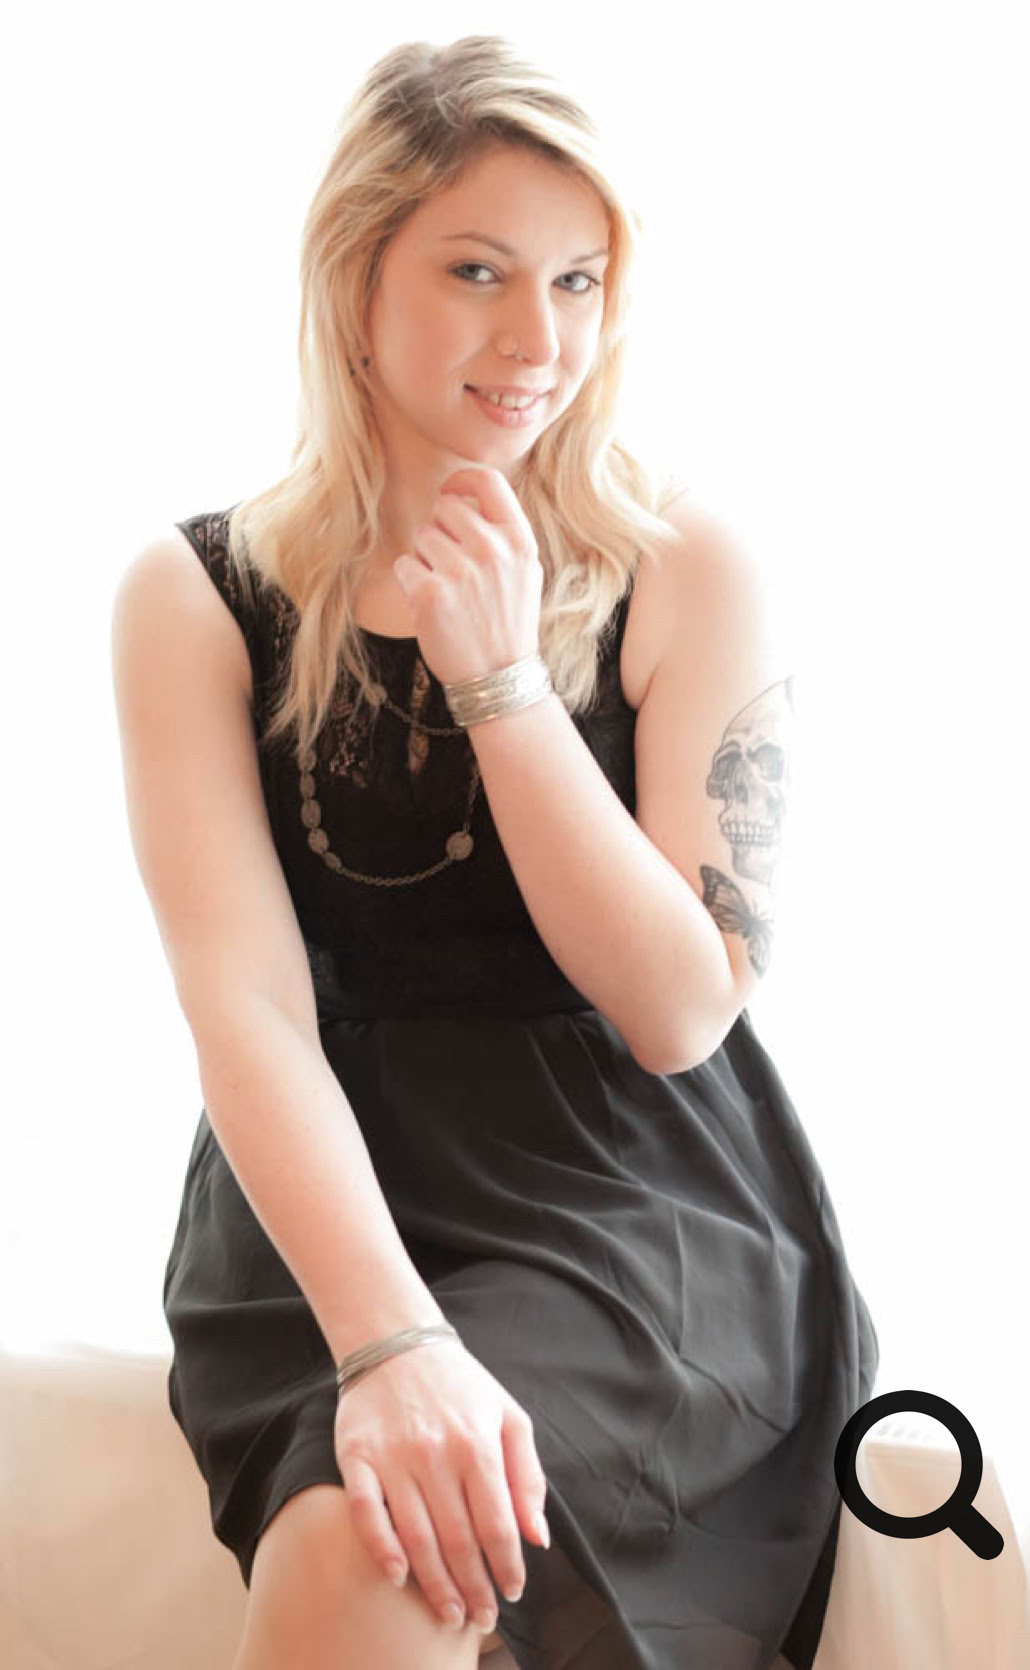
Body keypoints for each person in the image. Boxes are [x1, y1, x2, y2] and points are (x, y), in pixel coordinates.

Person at [110, 34, 879, 1670]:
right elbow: (245, 1008)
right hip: (322, 1207)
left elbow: (681, 1007)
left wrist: (503, 683)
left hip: (627, 1199)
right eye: (477, 272)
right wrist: (390, 1341)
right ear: (354, 281)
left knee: (395, 1553)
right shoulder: (197, 596)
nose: (538, 341)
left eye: (577, 282)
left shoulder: (683, 561)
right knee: (363, 1531)